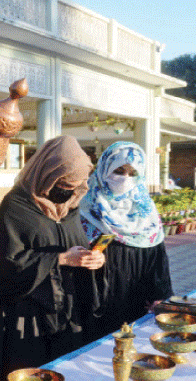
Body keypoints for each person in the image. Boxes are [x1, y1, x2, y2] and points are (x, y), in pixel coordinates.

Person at [0, 135, 105, 381]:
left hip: (67, 309)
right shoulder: (16, 206)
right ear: (48, 174)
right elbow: (8, 264)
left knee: (63, 376)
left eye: (76, 185)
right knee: (28, 379)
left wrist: (93, 260)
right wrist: (61, 259)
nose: (70, 191)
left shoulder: (71, 207)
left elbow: (76, 245)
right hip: (28, 313)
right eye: (65, 184)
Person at [79, 142, 173, 342]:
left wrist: (160, 296)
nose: (125, 178)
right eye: (119, 170)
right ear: (104, 168)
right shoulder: (85, 205)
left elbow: (157, 255)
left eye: (132, 173)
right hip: (96, 298)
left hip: (137, 297)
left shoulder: (146, 211)